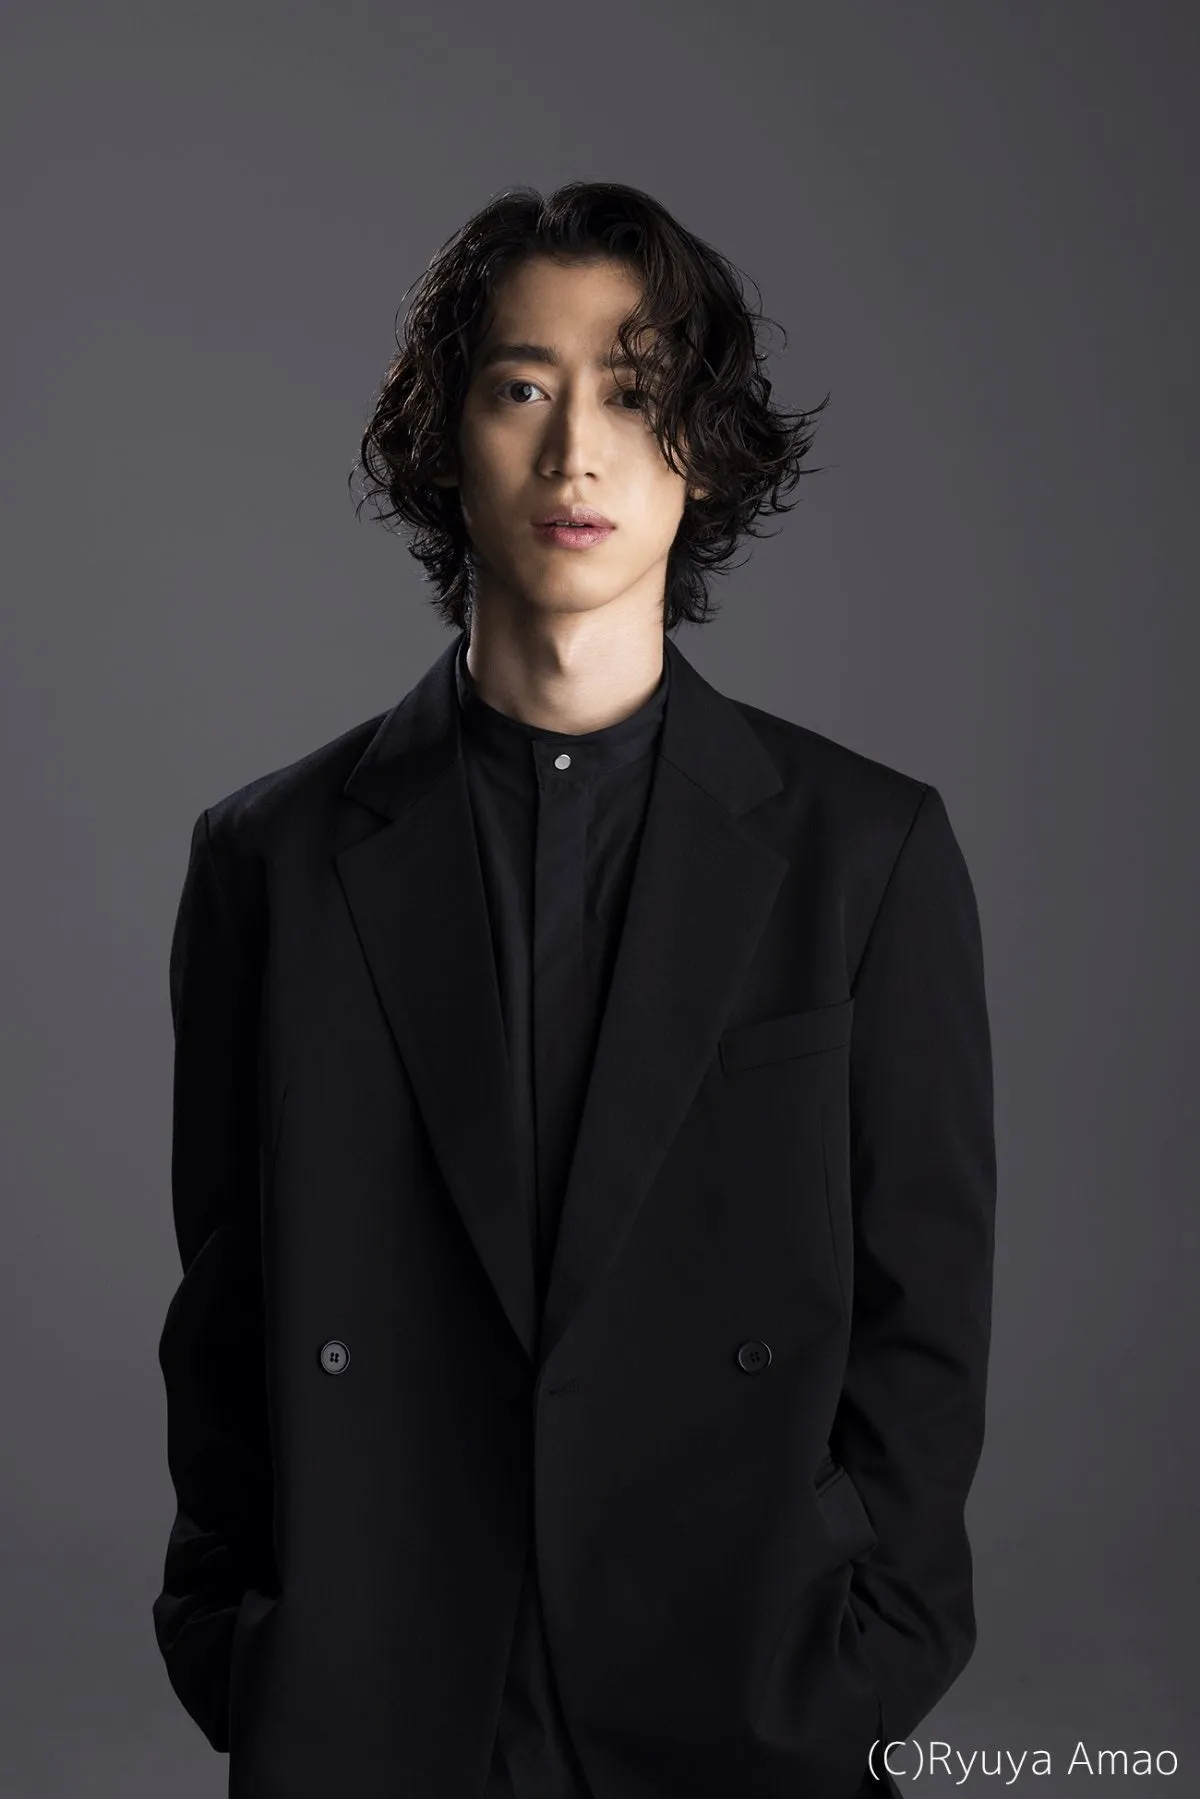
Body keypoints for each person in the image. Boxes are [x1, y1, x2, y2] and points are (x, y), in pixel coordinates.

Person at [152, 180, 995, 1799]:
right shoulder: (270, 858)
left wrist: (866, 1657)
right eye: (521, 387)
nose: (576, 452)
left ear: (705, 449)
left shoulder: (865, 853)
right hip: (377, 1706)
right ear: (442, 439)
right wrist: (240, 1633)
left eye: (635, 389)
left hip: (745, 1691)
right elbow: (226, 1304)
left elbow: (927, 1322)